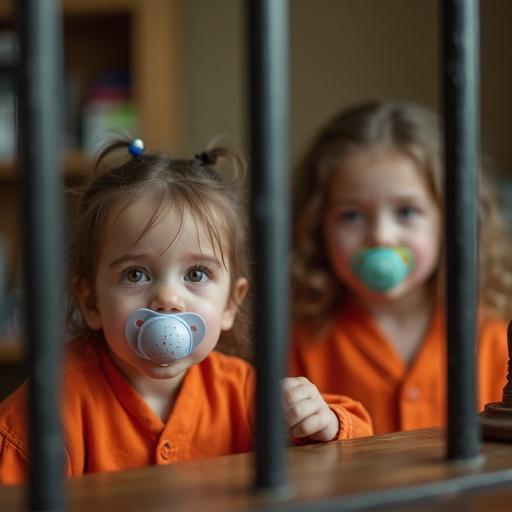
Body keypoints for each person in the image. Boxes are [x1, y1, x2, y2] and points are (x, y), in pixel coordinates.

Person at [0, 138, 372, 485]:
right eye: (136, 274)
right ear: (91, 301)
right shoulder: (50, 409)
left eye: (196, 274)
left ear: (230, 303)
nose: (168, 298)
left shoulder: (244, 393)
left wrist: (321, 424)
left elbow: (358, 445)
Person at [289, 101, 512, 434]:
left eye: (406, 212)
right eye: (351, 215)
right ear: (318, 226)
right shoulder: (299, 340)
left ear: (451, 220)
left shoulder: (494, 334)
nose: (381, 235)